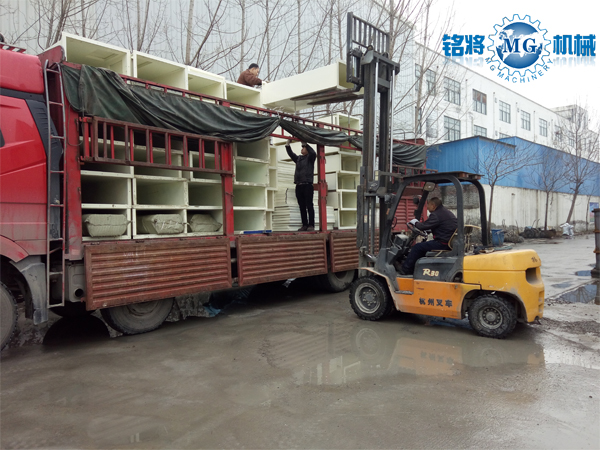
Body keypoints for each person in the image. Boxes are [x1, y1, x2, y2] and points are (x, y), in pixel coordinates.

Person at [400, 197, 457, 275]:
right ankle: (415, 268)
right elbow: (438, 226)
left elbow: (423, 226)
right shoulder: (445, 212)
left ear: (433, 206)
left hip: (442, 243)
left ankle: (405, 269)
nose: (427, 207)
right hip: (447, 241)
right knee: (423, 247)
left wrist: (415, 222)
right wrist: (428, 230)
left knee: (417, 247)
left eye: (428, 205)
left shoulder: (436, 215)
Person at [286, 140, 317, 231]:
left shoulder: (310, 158)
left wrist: (306, 144)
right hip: (299, 185)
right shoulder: (299, 159)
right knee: (302, 206)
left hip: (307, 185)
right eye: (302, 147)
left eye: (303, 148)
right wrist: (287, 145)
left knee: (309, 205)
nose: (302, 149)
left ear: (307, 149)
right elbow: (291, 154)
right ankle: (304, 225)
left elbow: (313, 153)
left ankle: (311, 225)